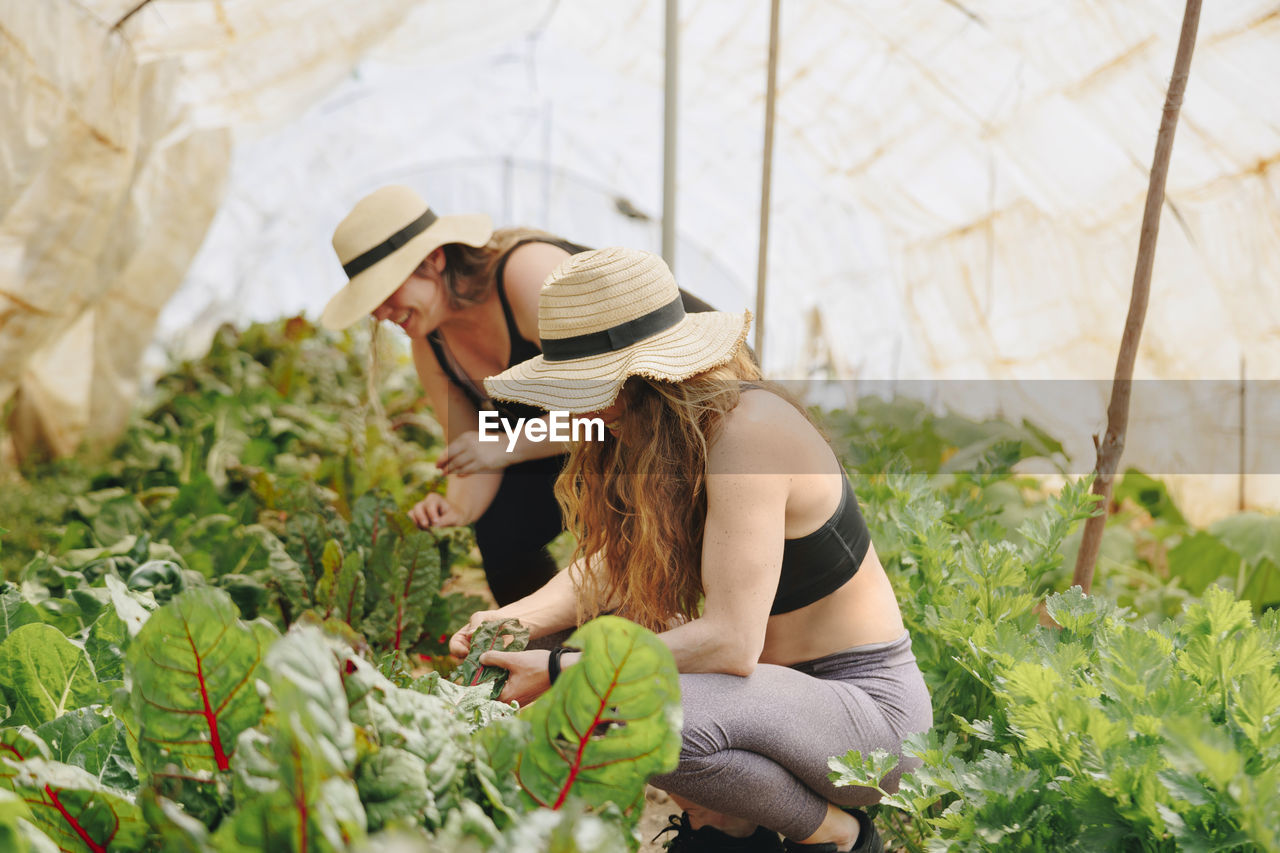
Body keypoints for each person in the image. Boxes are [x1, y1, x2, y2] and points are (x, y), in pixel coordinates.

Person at [450, 247, 933, 852]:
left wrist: (557, 675)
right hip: (768, 696)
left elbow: (731, 642)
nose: (577, 406)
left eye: (588, 385)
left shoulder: (748, 435)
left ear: (643, 375)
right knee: (551, 643)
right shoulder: (661, 431)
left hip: (867, 725)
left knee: (610, 710)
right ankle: (731, 827)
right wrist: (513, 621)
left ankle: (837, 836)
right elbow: (611, 567)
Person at [321, 186, 714, 606]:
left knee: (632, 530)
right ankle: (539, 654)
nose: (379, 313)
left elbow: (617, 397)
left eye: (383, 291)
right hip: (581, 423)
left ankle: (638, 641)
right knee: (502, 531)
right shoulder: (430, 341)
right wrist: (455, 509)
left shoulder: (527, 276)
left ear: (433, 260)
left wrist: (506, 447)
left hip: (672, 401)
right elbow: (476, 444)